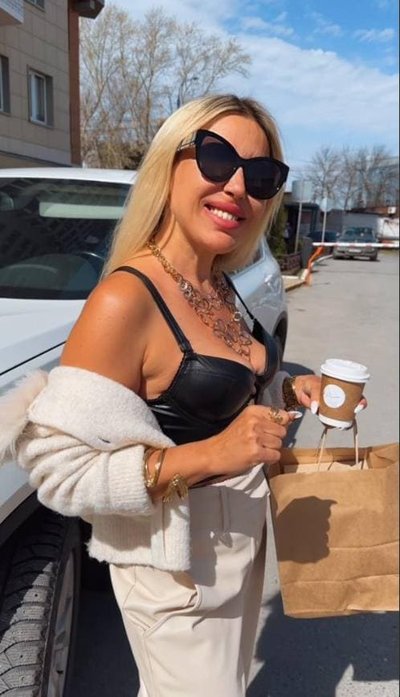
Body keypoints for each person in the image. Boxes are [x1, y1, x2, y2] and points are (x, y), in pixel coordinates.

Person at [0, 94, 366, 697]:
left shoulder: (216, 281)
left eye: (261, 175)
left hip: (237, 542)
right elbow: (57, 472)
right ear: (169, 163)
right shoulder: (125, 300)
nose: (237, 187)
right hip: (177, 568)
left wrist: (288, 391)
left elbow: (212, 397)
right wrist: (214, 454)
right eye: (217, 159)